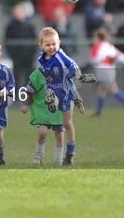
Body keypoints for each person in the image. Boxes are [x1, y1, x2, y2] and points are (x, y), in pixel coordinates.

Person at [38, 27, 97, 165]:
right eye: (47, 44)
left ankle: (70, 152)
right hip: (53, 88)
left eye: (54, 44)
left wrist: (79, 76)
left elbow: (73, 64)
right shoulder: (41, 59)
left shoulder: (60, 55)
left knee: (67, 122)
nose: (51, 47)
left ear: (59, 42)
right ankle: (51, 101)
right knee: (50, 93)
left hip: (66, 92)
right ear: (41, 46)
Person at [21, 68, 64, 165]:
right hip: (41, 109)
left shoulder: (60, 72)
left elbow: (67, 88)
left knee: (59, 134)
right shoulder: (37, 74)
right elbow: (29, 90)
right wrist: (24, 104)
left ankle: (58, 159)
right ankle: (38, 155)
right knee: (42, 132)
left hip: (57, 109)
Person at [91, 28, 124, 117]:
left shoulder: (98, 46)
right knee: (101, 90)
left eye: (95, 37)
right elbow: (119, 56)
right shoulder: (109, 46)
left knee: (113, 88)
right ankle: (98, 112)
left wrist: (101, 60)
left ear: (98, 37)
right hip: (110, 69)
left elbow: (94, 59)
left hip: (103, 70)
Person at [5, 3, 36, 89]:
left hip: (28, 56)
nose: (18, 14)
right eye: (16, 12)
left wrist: (32, 55)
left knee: (29, 78)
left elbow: (34, 40)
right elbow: (7, 41)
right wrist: (13, 55)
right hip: (16, 57)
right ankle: (16, 98)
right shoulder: (11, 26)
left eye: (20, 12)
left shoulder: (30, 25)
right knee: (16, 79)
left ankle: (28, 97)